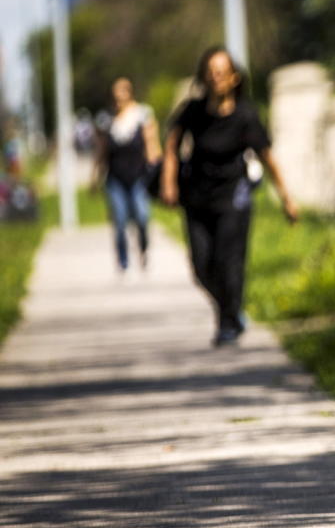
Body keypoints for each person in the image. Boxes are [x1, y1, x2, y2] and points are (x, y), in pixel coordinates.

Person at [161, 46, 298, 347]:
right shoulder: (193, 111)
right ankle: (232, 311)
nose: (216, 77)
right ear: (204, 77)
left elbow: (267, 157)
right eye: (210, 72)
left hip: (232, 198)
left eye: (222, 71)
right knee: (201, 267)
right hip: (197, 198)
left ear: (234, 77)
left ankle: (227, 322)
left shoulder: (246, 115)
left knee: (229, 261)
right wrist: (168, 182)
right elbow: (172, 145)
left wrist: (286, 198)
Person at [95, 77, 161, 273]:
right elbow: (101, 151)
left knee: (142, 216)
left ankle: (143, 249)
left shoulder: (143, 115)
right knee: (120, 220)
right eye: (115, 95)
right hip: (115, 178)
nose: (119, 99)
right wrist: (95, 176)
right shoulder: (106, 119)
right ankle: (123, 259)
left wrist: (159, 169)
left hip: (138, 175)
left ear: (130, 93)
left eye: (122, 93)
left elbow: (152, 144)